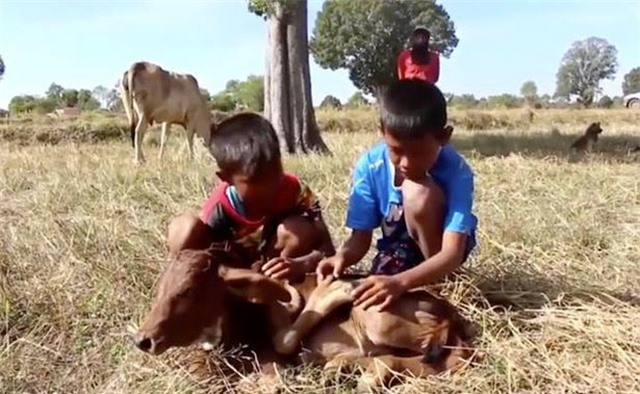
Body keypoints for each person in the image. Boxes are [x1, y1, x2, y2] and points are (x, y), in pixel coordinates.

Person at [317, 78, 478, 312]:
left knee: (417, 192)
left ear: (444, 137)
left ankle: (440, 282)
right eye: (396, 150)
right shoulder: (369, 167)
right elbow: (360, 239)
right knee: (373, 301)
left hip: (442, 249)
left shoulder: (457, 171)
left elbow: (452, 253)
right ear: (382, 133)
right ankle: (417, 279)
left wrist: (400, 283)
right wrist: (342, 257)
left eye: (419, 152)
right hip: (399, 248)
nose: (406, 163)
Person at [166, 112, 335, 282]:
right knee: (185, 229)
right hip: (231, 279)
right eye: (256, 181)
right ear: (226, 178)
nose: (269, 187)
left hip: (275, 277)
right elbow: (213, 264)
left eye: (275, 172)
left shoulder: (297, 191)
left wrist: (301, 264)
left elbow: (328, 249)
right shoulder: (219, 211)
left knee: (298, 230)